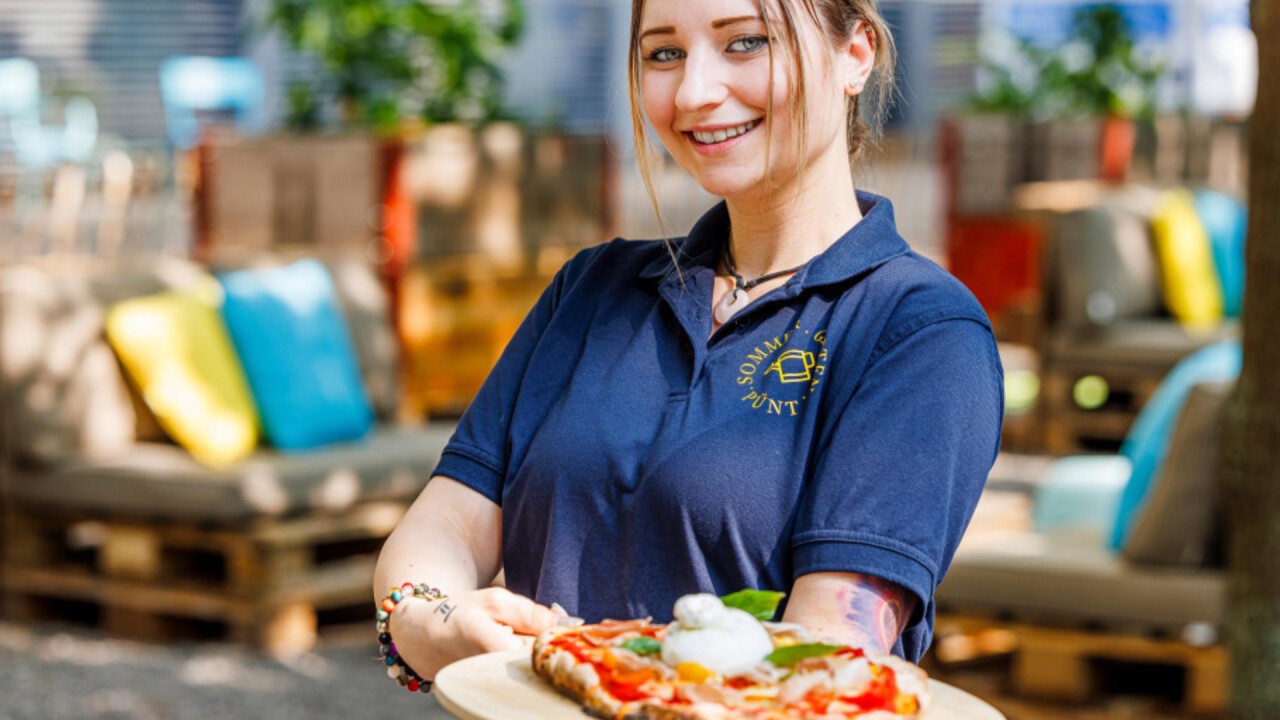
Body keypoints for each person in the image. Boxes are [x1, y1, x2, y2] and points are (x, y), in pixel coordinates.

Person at [373, 0, 1003, 688]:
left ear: (855, 55)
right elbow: (445, 525)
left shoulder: (918, 332)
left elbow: (825, 663)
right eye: (664, 53)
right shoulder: (593, 288)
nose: (696, 92)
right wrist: (428, 623)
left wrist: (595, 672)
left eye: (745, 43)